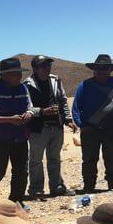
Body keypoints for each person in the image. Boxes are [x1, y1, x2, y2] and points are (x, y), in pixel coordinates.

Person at [0, 57, 34, 209]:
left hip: (21, 137)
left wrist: (29, 114)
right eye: (14, 74)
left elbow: (30, 107)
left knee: (21, 171)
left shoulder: (24, 89)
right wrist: (9, 119)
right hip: (0, 139)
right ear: (3, 75)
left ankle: (16, 200)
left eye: (19, 73)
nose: (18, 77)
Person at [72, 54, 113, 193]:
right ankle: (89, 185)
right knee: (89, 160)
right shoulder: (85, 85)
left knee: (112, 158)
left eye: (105, 68)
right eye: (98, 68)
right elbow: (76, 107)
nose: (101, 70)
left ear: (110, 69)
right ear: (94, 69)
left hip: (112, 129)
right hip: (90, 129)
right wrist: (81, 125)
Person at [24, 55, 77, 199]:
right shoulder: (27, 84)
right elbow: (26, 107)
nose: (47, 69)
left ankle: (57, 186)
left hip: (56, 125)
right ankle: (36, 190)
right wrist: (42, 111)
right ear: (35, 68)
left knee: (54, 157)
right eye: (43, 66)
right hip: (38, 128)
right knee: (36, 160)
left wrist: (68, 119)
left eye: (48, 66)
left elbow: (63, 101)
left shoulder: (55, 80)